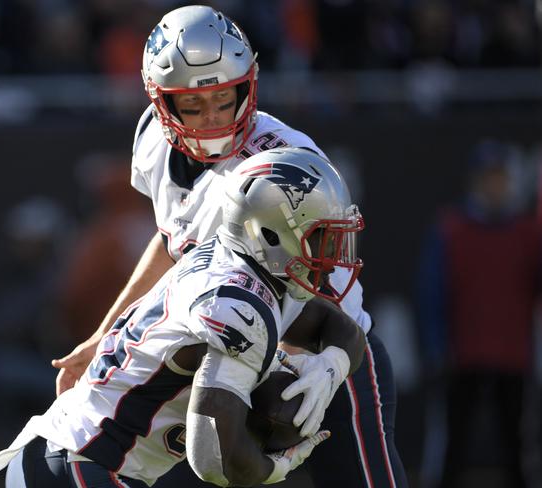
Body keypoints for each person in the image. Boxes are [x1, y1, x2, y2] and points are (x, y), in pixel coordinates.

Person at [52, 6, 407, 487]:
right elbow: (174, 240)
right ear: (162, 103)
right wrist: (103, 335)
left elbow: (331, 280)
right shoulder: (153, 140)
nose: (213, 118)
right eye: (193, 106)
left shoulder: (285, 163)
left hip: (321, 355)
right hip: (232, 364)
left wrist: (329, 364)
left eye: (224, 98)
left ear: (249, 83)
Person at [0, 148, 366, 488]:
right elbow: (216, 461)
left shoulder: (238, 265)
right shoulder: (239, 308)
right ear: (269, 233)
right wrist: (278, 466)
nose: (331, 259)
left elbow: (339, 328)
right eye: (321, 239)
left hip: (64, 454)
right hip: (86, 466)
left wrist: (330, 367)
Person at [418, 140, 542, 488]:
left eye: (501, 178)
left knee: (517, 450)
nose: (495, 186)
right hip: (462, 356)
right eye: (489, 178)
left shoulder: (528, 234)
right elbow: (432, 295)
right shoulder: (451, 229)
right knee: (451, 451)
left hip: (514, 357)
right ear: (476, 181)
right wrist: (436, 348)